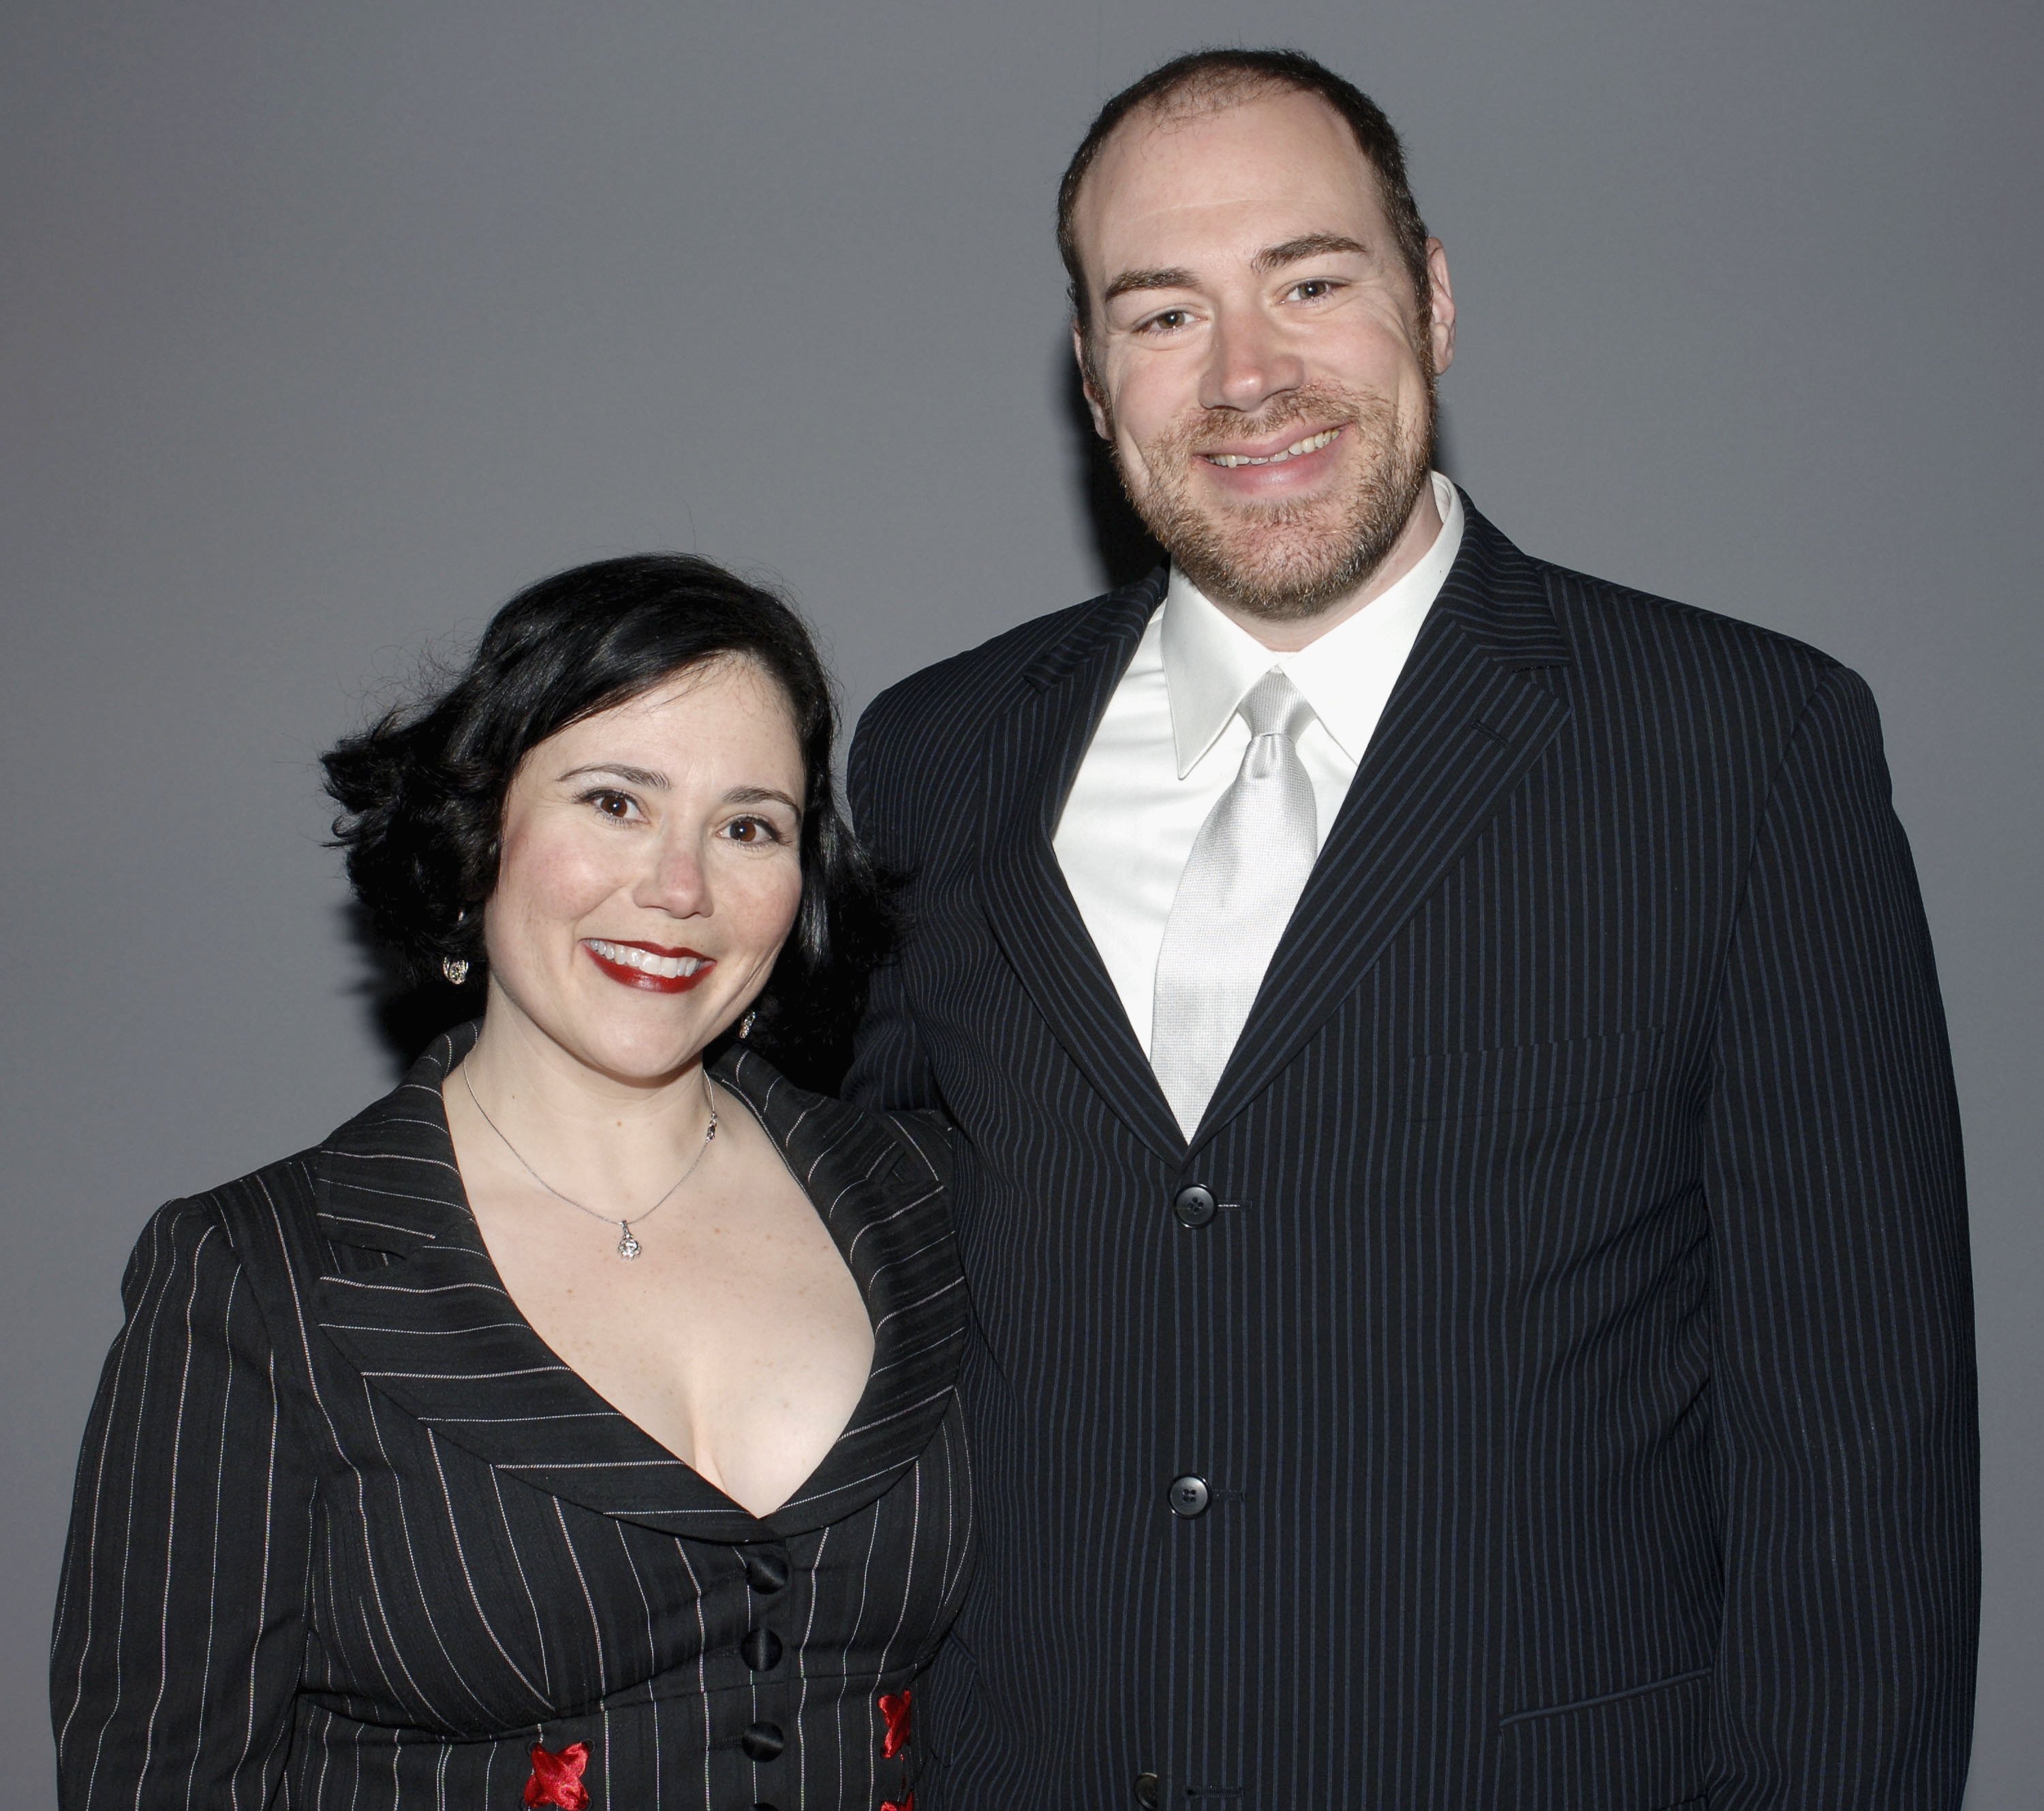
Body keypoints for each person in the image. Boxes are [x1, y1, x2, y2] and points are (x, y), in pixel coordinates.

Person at [845, 46, 1977, 1810]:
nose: (1248, 374)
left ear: (1432, 300)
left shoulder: (1742, 746)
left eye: (1311, 280)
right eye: (1163, 313)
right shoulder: (934, 757)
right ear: (1089, 377)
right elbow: (868, 1316)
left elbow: (1861, 1450)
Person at [52, 555, 969, 1810]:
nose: (681, 888)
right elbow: (158, 1777)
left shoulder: (927, 1196)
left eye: (748, 825)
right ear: (480, 828)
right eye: (614, 801)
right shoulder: (261, 1275)